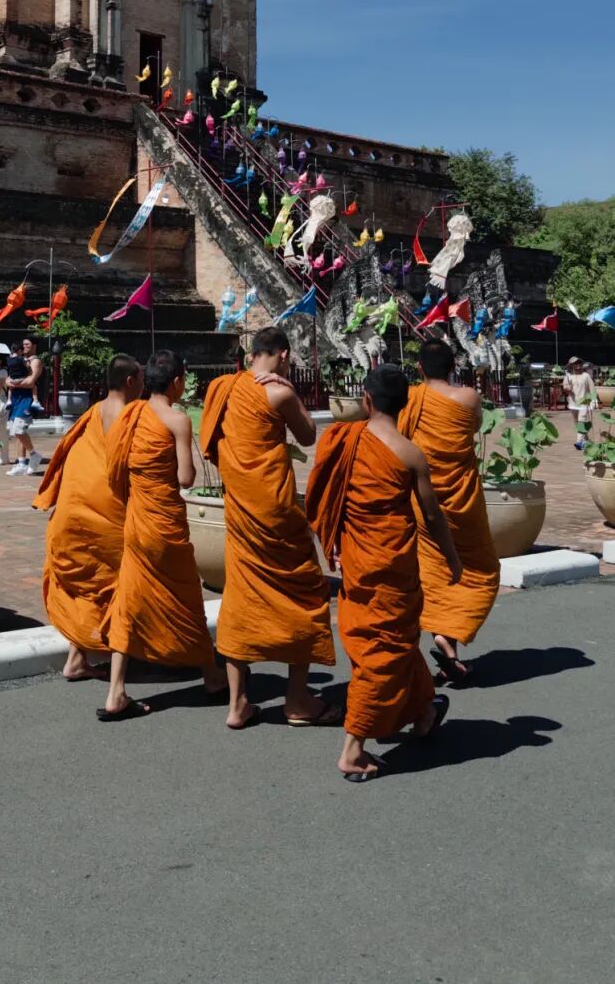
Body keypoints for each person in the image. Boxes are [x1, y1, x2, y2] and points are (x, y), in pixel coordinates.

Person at [305, 364, 461, 782]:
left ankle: (423, 712)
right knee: (384, 650)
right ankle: (353, 749)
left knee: (394, 638)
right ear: (405, 404)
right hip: (392, 562)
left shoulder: (343, 439)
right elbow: (432, 515)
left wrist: (331, 541)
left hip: (359, 559)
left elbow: (323, 495)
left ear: (367, 400)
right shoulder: (410, 453)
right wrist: (452, 559)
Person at [200, 326, 337, 732]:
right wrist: (290, 389)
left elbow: (212, 442)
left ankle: (237, 704)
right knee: (306, 593)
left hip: (242, 509)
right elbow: (308, 436)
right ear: (283, 355)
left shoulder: (221, 388)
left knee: (241, 598)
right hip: (275, 511)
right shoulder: (279, 392)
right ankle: (297, 700)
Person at [99, 349, 226, 721]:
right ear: (177, 382)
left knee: (128, 601)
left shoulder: (131, 414)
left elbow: (116, 466)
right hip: (165, 524)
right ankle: (211, 676)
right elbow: (186, 478)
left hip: (138, 521)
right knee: (187, 598)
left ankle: (115, 692)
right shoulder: (177, 419)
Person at [33, 354, 145, 680]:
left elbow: (68, 458)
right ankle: (117, 680)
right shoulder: (135, 416)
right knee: (116, 586)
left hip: (72, 514)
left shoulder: (91, 414)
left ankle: (77, 658)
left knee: (87, 588)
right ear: (130, 381)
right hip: (107, 519)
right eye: (140, 379)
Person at [397, 339, 499, 683]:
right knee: (481, 570)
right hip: (463, 501)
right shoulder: (469, 397)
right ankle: (447, 639)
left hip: (423, 499)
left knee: (434, 570)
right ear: (453, 367)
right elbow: (473, 427)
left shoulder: (410, 398)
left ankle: (442, 640)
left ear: (420, 368)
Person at [6, 335, 45, 476]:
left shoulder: (35, 361)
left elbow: (30, 382)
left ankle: (34, 455)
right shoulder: (19, 360)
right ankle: (21, 463)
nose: (24, 347)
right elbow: (8, 379)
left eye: (27, 344)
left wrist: (14, 383)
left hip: (27, 399)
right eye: (23, 345)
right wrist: (10, 382)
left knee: (19, 429)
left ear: (34, 346)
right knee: (16, 432)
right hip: (15, 399)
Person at [563, 358, 597, 451]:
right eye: (575, 363)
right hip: (573, 403)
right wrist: (567, 389)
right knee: (577, 423)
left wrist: (593, 401)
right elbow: (565, 388)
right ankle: (586, 440)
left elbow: (592, 389)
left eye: (579, 362)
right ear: (571, 365)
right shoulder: (568, 376)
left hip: (584, 402)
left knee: (582, 420)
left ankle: (579, 442)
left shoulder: (586, 376)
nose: (577, 364)